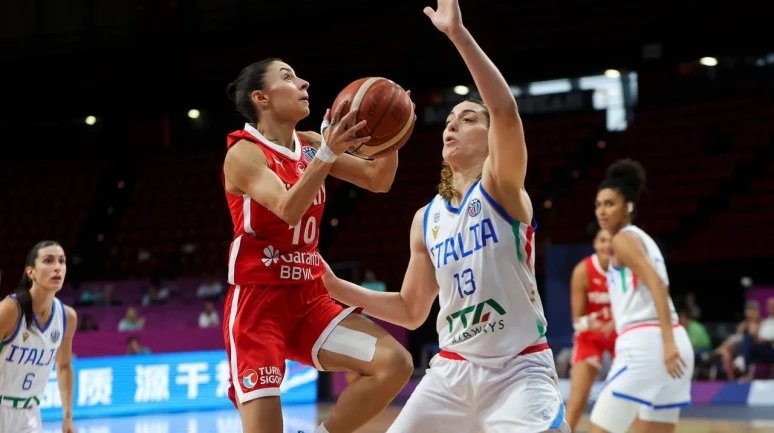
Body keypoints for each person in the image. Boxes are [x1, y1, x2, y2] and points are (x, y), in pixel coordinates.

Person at [322, 1, 569, 431]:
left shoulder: (501, 187)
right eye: (450, 120)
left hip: (518, 370)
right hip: (451, 373)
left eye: (468, 119)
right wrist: (335, 286)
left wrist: (457, 33)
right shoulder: (426, 219)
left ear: (491, 139)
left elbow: (506, 112)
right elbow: (410, 309)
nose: (452, 125)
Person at [222, 58, 413, 433]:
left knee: (394, 363)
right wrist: (328, 153)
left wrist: (393, 135)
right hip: (259, 307)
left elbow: (378, 180)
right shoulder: (244, 153)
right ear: (261, 97)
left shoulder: (309, 144)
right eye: (288, 77)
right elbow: (287, 210)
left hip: (309, 300)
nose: (303, 83)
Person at [588, 159, 694, 433]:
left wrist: (666, 343)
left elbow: (657, 284)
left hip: (648, 346)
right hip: (675, 344)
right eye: (598, 204)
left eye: (610, 204)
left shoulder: (622, 239)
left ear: (628, 207)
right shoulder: (644, 239)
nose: (602, 211)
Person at [0, 241, 77, 433]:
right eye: (48, 261)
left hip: (30, 414)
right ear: (30, 271)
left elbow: (64, 365)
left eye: (62, 261)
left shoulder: (67, 317)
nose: (57, 267)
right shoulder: (10, 310)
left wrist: (68, 416)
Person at [565, 228, 615, 431]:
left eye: (611, 240)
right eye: (602, 240)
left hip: (618, 335)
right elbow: (577, 320)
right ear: (595, 244)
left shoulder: (626, 268)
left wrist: (616, 322)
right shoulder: (583, 270)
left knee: (630, 396)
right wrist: (591, 324)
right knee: (578, 399)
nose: (607, 245)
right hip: (590, 338)